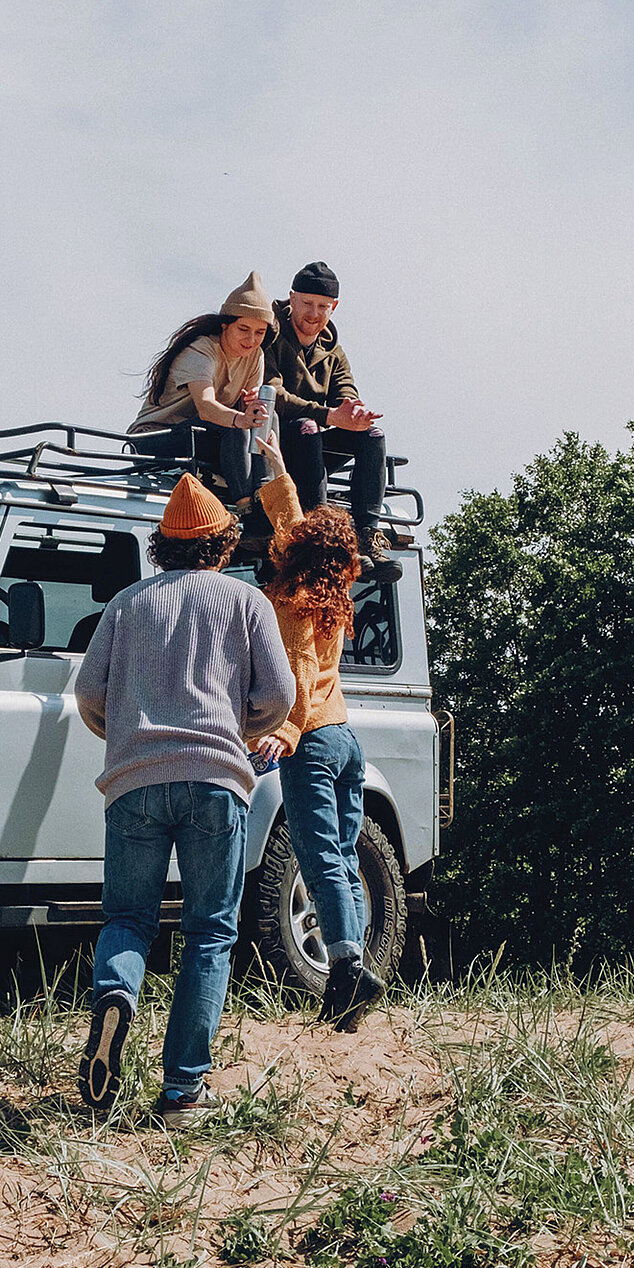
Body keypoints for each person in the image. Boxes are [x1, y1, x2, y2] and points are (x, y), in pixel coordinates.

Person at [74, 472, 296, 1126]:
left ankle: (116, 996)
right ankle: (182, 1092)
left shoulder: (127, 604)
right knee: (208, 932)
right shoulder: (245, 601)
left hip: (134, 782)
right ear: (224, 545)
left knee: (128, 919)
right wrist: (243, 727)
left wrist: (123, 732)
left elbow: (89, 694)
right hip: (216, 782)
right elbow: (280, 698)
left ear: (160, 547)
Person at [251, 415, 386, 1031]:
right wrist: (275, 457)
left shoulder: (295, 596)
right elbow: (289, 517)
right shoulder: (337, 582)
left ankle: (348, 965)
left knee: (319, 855)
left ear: (303, 547)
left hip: (311, 738)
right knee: (343, 853)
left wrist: (286, 728)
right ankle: (352, 974)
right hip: (346, 738)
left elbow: (300, 673)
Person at [265, 261, 394, 570]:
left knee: (372, 435)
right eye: (307, 303)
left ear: (334, 307)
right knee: (309, 427)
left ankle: (367, 534)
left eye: (322, 306)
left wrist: (355, 413)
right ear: (292, 298)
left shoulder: (334, 351)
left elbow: (345, 392)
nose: (314, 313)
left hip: (314, 451)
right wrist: (329, 416)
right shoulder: (269, 335)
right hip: (275, 446)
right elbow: (273, 396)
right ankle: (321, 531)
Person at [127, 273, 275, 529]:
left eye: (259, 333)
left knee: (266, 415)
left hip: (207, 437)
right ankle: (245, 509)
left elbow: (251, 417)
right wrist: (241, 417)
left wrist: (251, 409)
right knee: (237, 424)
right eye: (243, 329)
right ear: (224, 325)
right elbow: (206, 407)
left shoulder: (256, 356)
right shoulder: (201, 349)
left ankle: (265, 496)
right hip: (155, 440)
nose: (251, 340)